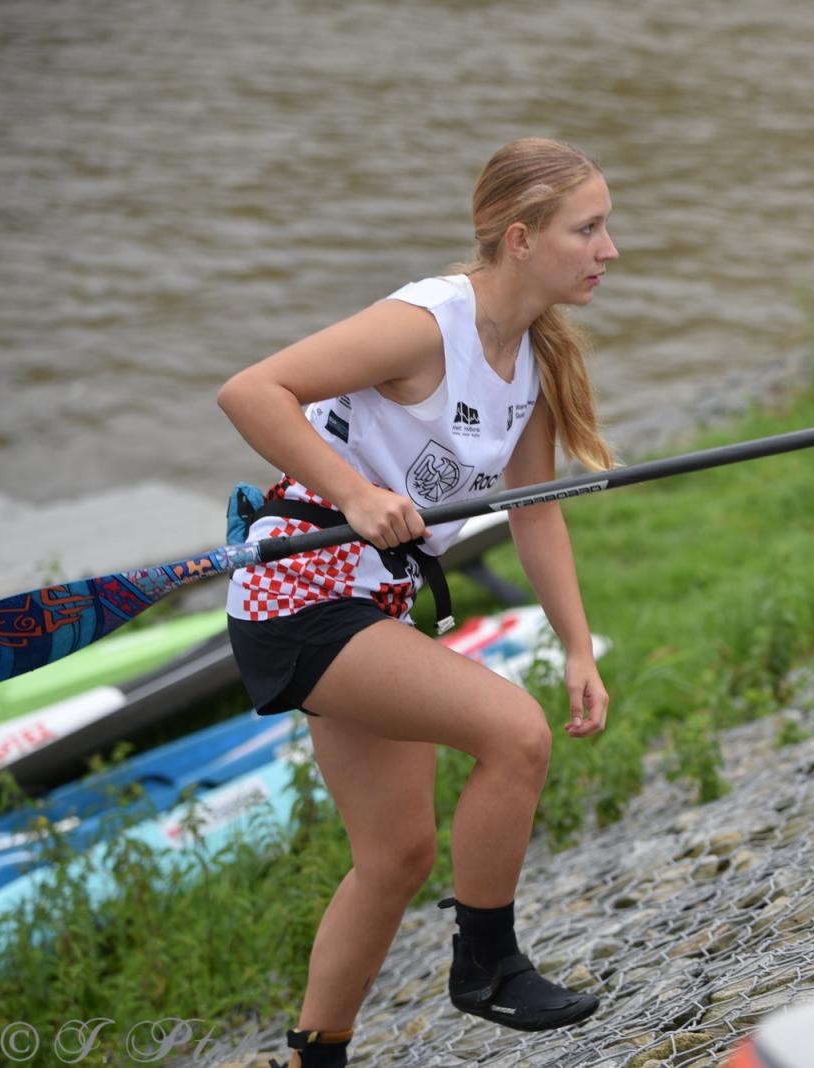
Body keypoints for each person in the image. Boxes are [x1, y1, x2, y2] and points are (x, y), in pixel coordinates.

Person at [217, 137, 618, 1068]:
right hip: (300, 590)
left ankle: (316, 1057)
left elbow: (534, 515)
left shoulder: (533, 361)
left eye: (606, 227)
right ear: (519, 239)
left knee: (394, 856)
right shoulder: (428, 324)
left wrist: (578, 646)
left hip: (376, 601)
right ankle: (487, 966)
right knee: (515, 735)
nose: (609, 250)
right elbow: (251, 392)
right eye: (588, 229)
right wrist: (355, 495)